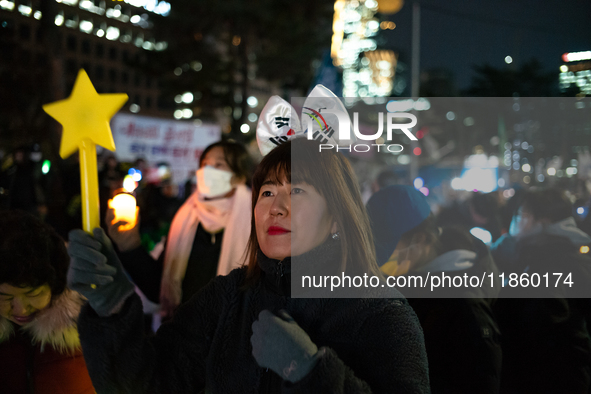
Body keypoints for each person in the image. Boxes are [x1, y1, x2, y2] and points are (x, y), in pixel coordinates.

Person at [67, 137, 430, 393]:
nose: (276, 206)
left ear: (337, 216)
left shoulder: (379, 312)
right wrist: (113, 311)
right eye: (268, 192)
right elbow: (150, 383)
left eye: (297, 190)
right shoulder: (227, 298)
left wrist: (310, 373)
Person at [367, 185, 502, 394]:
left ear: (419, 240)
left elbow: (480, 383)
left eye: (388, 248)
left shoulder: (465, 305)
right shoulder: (409, 279)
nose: (380, 261)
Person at [107, 141, 254, 317]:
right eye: (205, 164)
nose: (207, 171)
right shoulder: (185, 219)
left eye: (218, 165)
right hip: (181, 336)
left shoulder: (259, 225)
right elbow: (157, 289)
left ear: (239, 176)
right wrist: (130, 246)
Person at [491, 188, 591, 394]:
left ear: (543, 221)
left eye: (521, 215)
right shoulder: (562, 253)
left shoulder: (549, 262)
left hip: (549, 378)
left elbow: (537, 324)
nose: (515, 221)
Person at [0, 210, 95, 394]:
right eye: (5, 298)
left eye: (33, 294)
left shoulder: (86, 328)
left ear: (55, 285)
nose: (21, 308)